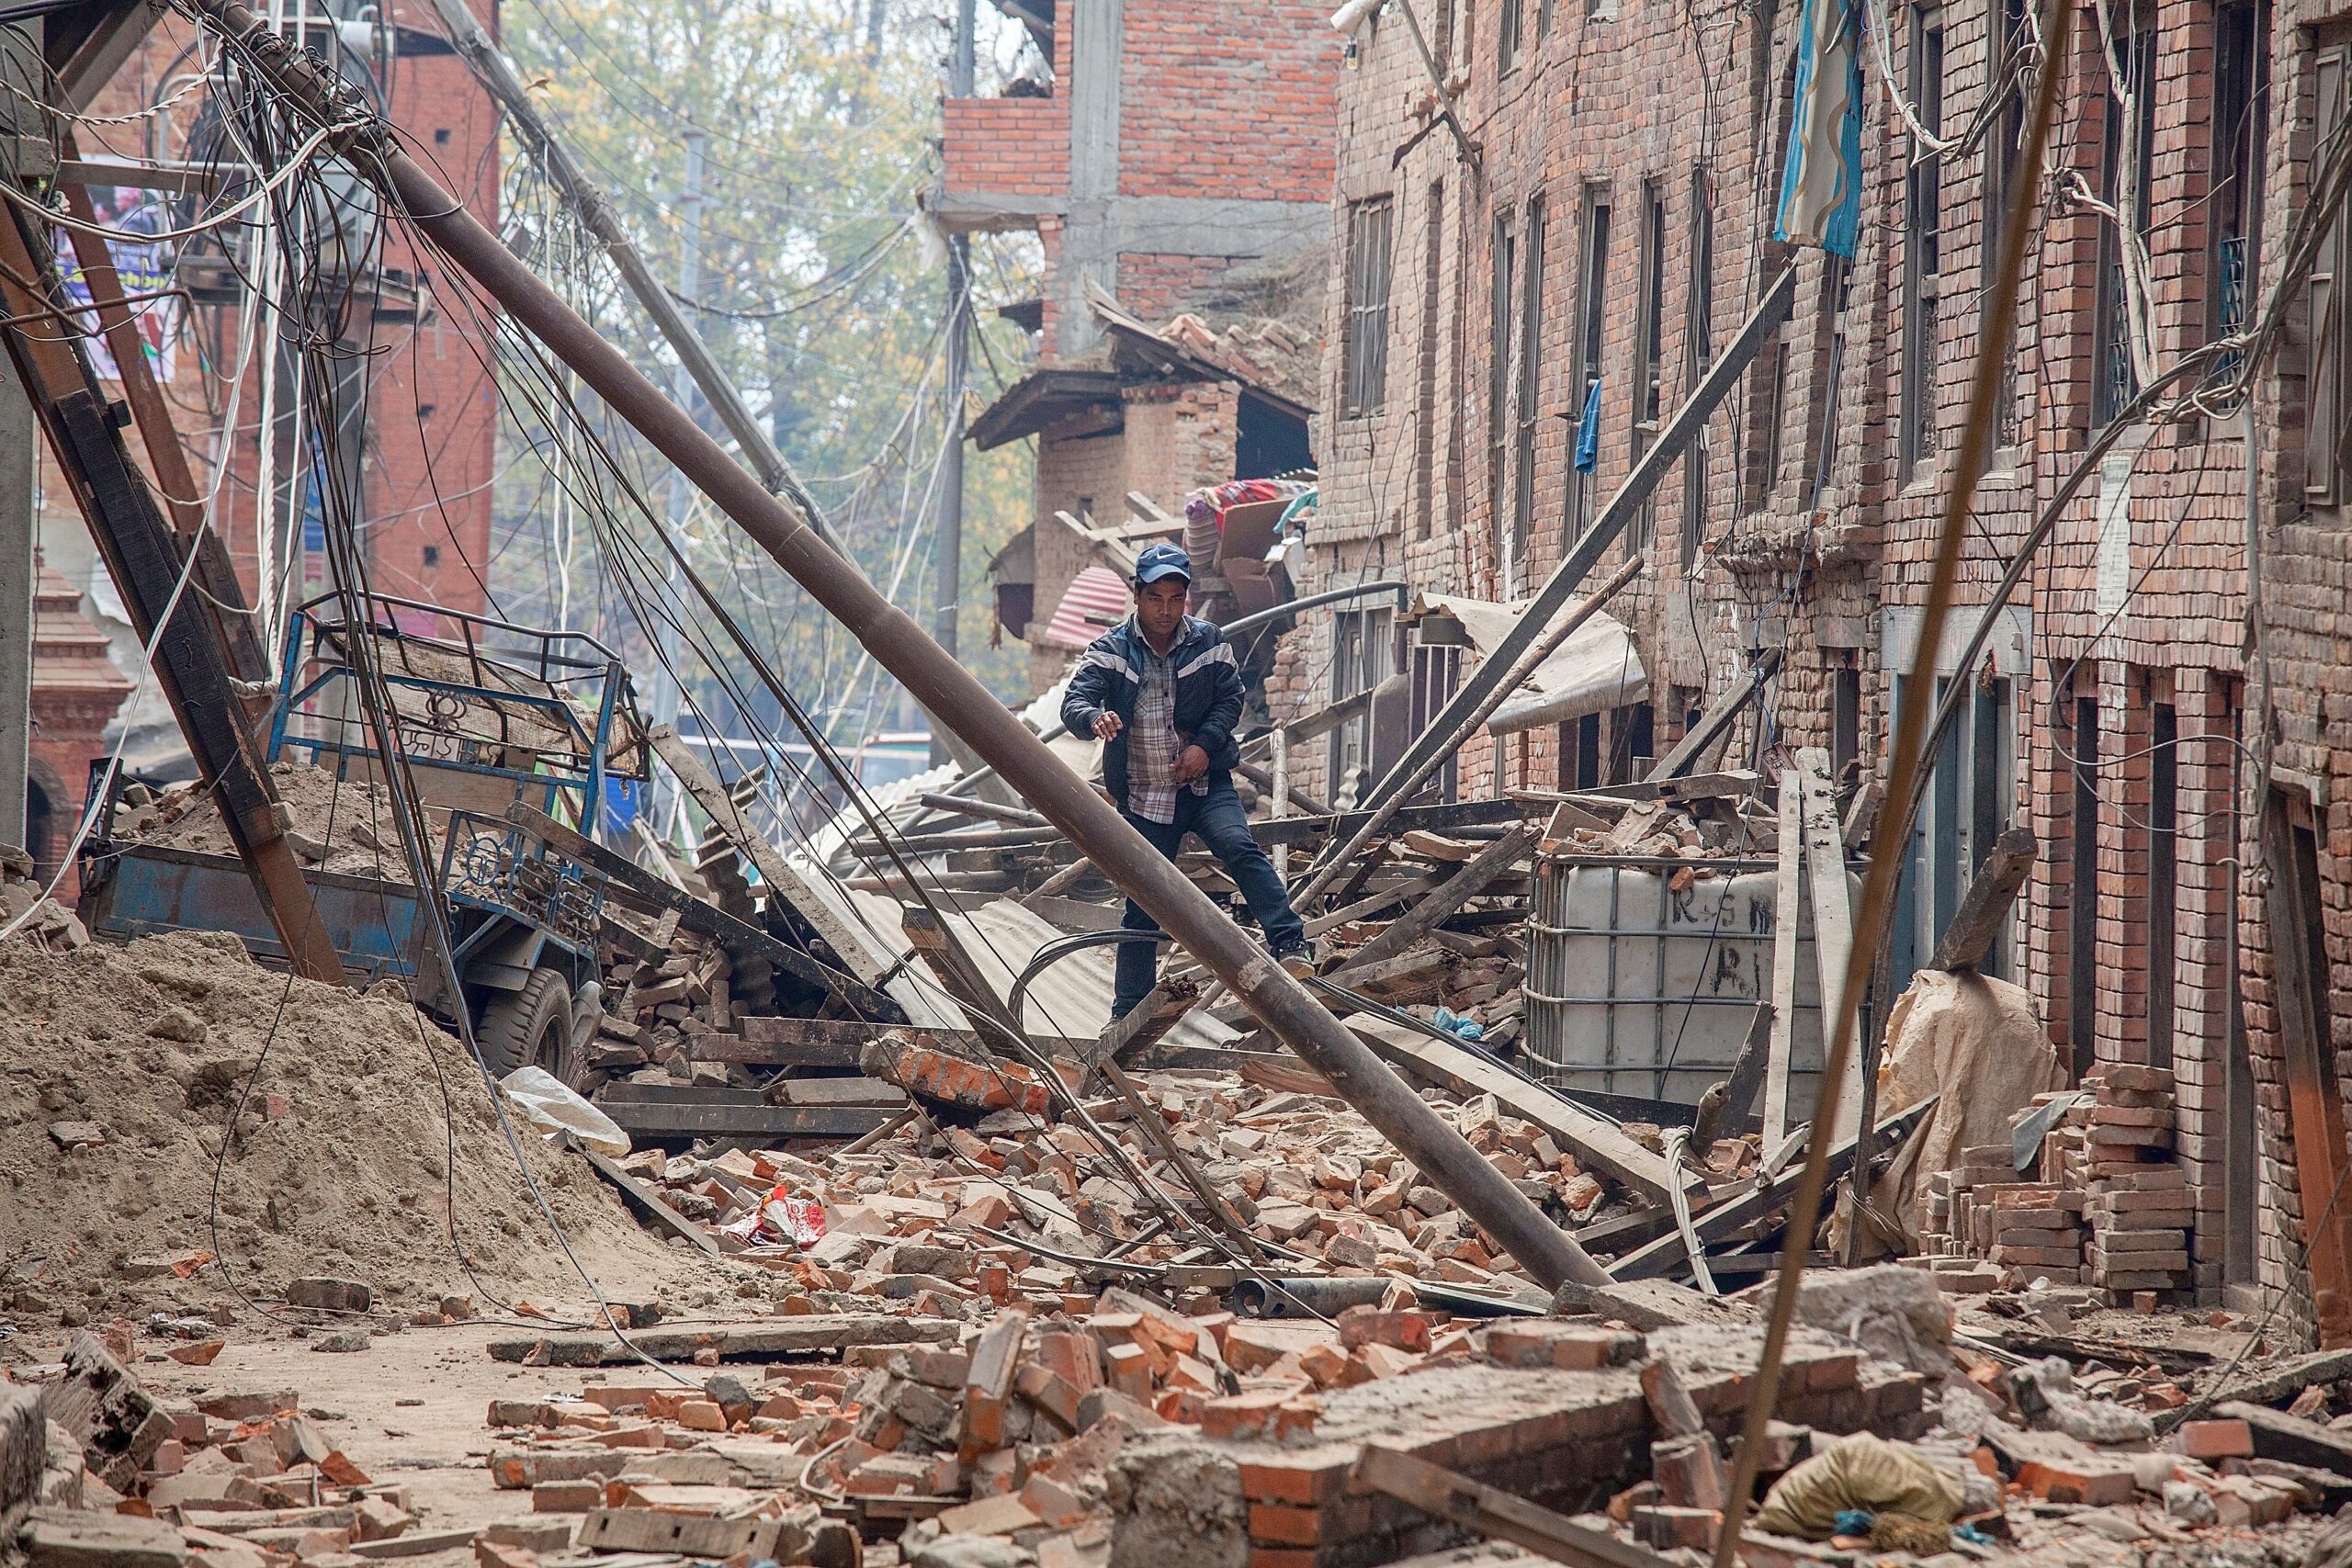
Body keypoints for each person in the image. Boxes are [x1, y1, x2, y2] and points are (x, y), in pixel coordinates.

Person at [1061, 543, 1312, 1018]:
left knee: (1239, 846)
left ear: (1186, 601)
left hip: (1203, 784)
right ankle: (1129, 1012)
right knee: (1143, 901)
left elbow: (1230, 700)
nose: (1165, 610)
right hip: (1144, 795)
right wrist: (1094, 717)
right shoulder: (1110, 651)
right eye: (1155, 598)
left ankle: (1291, 944)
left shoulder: (1208, 641)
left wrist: (1203, 747)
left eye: (1175, 599)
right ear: (1137, 596)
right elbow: (1075, 701)